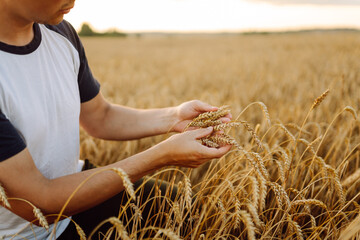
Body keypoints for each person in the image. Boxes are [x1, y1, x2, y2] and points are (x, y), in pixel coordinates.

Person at [0, 0, 231, 239]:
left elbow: (100, 116)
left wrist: (173, 117)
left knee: (204, 214)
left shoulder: (60, 32)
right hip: (27, 231)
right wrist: (162, 156)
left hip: (79, 183)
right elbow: (40, 204)